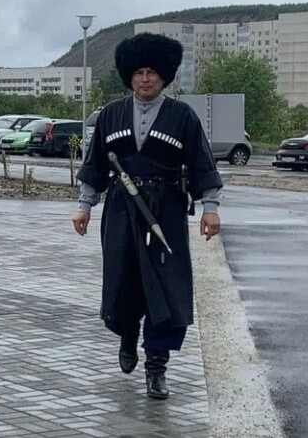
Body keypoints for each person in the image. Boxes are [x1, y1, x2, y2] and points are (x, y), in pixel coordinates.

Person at [72, 32, 223, 400]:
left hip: (165, 209)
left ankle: (156, 368)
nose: (145, 79)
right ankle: (127, 335)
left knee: (166, 285)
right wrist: (84, 205)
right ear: (129, 76)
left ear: (165, 76)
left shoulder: (182, 116)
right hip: (121, 209)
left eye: (153, 72)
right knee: (124, 279)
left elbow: (202, 164)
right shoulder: (110, 114)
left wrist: (211, 209)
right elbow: (93, 165)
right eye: (139, 72)